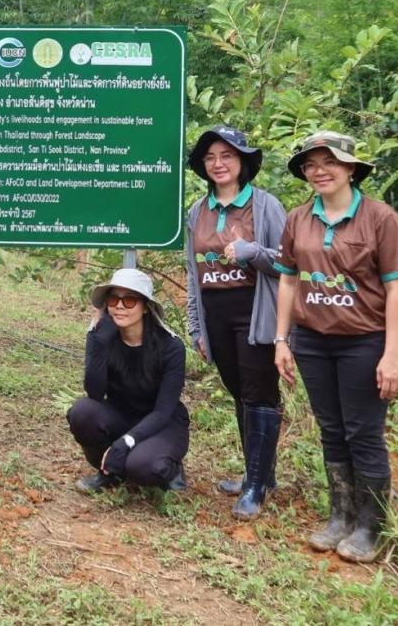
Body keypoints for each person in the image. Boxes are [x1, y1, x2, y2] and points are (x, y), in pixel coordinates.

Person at [272, 131, 398, 563]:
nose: (320, 171)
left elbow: (397, 290)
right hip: (313, 341)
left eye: (329, 162)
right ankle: (340, 516)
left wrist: (392, 354)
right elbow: (288, 279)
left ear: (350, 168)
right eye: (311, 165)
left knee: (363, 434)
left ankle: (371, 526)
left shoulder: (380, 218)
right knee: (331, 431)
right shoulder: (299, 219)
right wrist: (282, 339)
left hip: (363, 342)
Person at [184, 126, 287, 519]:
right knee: (239, 392)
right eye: (210, 158)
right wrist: (198, 326)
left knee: (260, 394)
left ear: (242, 161)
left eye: (227, 156)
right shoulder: (198, 211)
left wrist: (252, 252)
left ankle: (256, 487)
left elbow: (288, 263)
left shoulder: (264, 206)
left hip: (255, 310)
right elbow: (193, 275)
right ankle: (259, 473)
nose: (218, 164)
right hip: (217, 313)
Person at [68, 268, 189, 493]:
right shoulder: (102, 337)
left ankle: (171, 467)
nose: (120, 306)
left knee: (143, 467)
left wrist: (125, 442)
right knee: (82, 412)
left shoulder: (171, 347)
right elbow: (94, 393)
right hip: (122, 414)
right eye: (114, 299)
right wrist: (98, 344)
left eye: (130, 300)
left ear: (145, 307)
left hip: (162, 422)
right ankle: (109, 473)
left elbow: (163, 412)